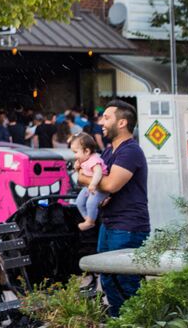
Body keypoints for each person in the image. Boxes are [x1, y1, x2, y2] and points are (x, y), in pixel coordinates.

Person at [80, 100, 149, 317]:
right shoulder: (110, 151)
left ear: (122, 122)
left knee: (126, 282)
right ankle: (120, 320)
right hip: (110, 224)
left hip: (128, 227)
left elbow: (110, 184)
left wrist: (85, 179)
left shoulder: (130, 151)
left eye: (107, 118)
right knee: (108, 279)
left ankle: (133, 320)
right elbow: (91, 179)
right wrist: (90, 181)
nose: (101, 122)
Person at [70, 132, 107, 231]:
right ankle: (88, 219)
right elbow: (82, 173)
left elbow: (98, 172)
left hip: (99, 188)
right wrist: (77, 168)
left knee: (90, 203)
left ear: (86, 151)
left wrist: (93, 184)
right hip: (89, 186)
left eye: (76, 152)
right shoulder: (85, 159)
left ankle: (90, 221)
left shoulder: (94, 159)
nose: (75, 156)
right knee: (79, 201)